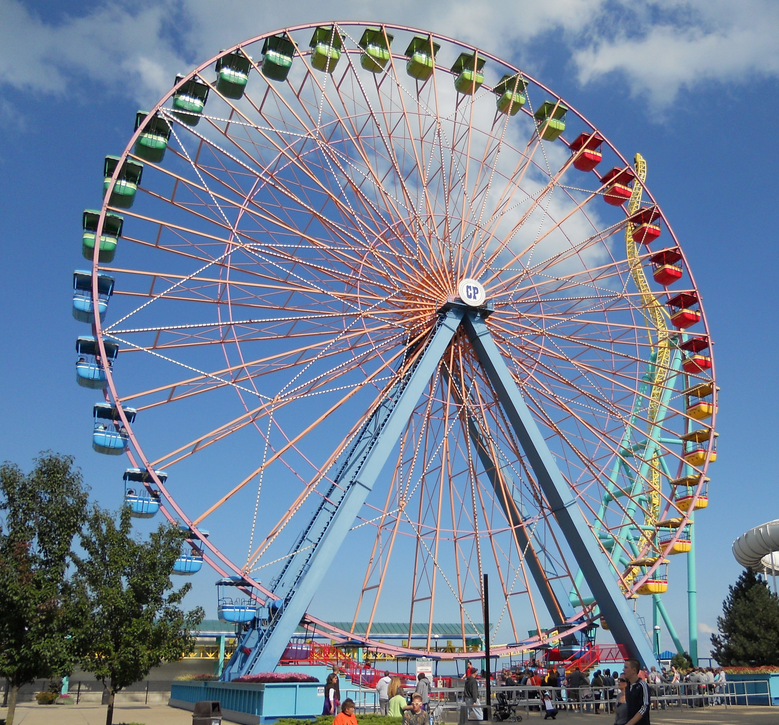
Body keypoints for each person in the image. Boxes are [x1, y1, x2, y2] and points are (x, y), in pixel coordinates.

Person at [623, 658, 650, 725]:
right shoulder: (628, 687)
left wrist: (631, 722)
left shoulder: (642, 686)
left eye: (626, 667)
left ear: (634, 670)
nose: (623, 670)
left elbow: (645, 706)